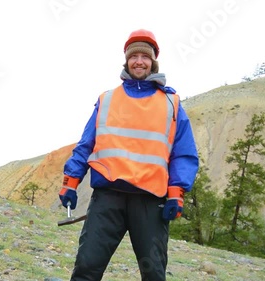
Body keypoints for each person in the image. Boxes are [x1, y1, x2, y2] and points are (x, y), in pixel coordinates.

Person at [58, 29, 199, 281]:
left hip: (149, 201)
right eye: (134, 56)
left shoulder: (171, 104)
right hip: (108, 198)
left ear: (153, 61)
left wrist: (176, 193)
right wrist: (71, 181)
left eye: (145, 56)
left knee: (153, 273)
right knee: (87, 267)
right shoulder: (107, 99)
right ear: (126, 60)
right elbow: (86, 144)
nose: (139, 61)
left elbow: (183, 153)